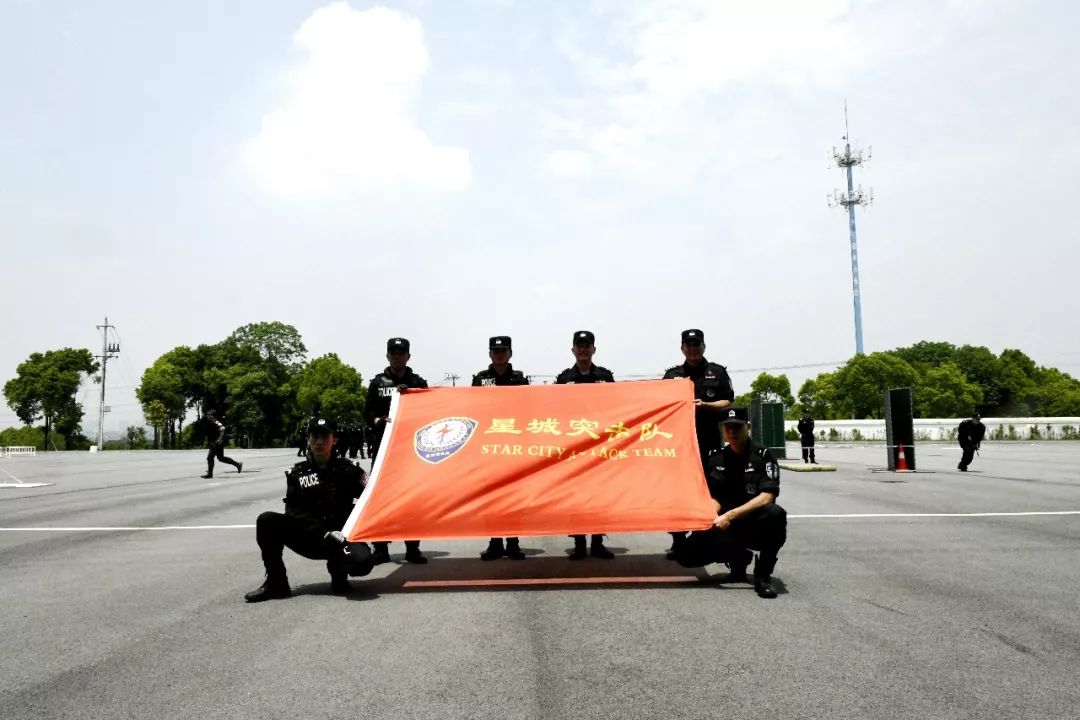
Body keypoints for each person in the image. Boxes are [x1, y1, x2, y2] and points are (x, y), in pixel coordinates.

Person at [245, 417, 372, 602]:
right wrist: (324, 533)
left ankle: (339, 575)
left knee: (363, 563)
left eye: (324, 436)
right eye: (314, 436)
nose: (319, 442)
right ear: (308, 440)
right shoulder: (297, 474)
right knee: (267, 520)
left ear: (334, 439)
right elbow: (294, 512)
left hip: (342, 538)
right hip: (312, 538)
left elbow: (371, 500)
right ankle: (277, 583)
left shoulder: (350, 471)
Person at [676, 407, 787, 599]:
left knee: (775, 513)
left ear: (748, 427)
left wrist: (729, 515)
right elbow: (714, 496)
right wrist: (710, 518)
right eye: (728, 427)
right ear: (722, 429)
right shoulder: (716, 456)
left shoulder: (763, 456)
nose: (732, 431)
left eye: (737, 427)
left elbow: (768, 496)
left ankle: (763, 576)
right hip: (726, 525)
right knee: (684, 554)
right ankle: (738, 557)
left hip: (753, 522)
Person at [662, 329, 734, 557]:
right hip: (680, 444)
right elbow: (660, 403)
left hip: (709, 441)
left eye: (697, 344)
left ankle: (703, 535)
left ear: (704, 346)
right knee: (678, 491)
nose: (693, 349)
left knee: (708, 489)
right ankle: (678, 539)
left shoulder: (717, 372)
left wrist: (705, 405)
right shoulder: (673, 375)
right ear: (682, 348)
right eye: (688, 345)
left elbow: (728, 401)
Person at [365, 337, 430, 565]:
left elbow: (428, 413)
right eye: (393, 352)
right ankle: (380, 548)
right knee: (380, 499)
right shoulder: (377, 383)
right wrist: (378, 421)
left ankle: (412, 548)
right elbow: (367, 414)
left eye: (401, 352)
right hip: (383, 449)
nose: (397, 356)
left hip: (410, 452)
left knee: (412, 500)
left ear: (408, 356)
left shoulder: (418, 383)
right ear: (387, 355)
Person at [555, 330, 616, 560]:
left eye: (587, 345)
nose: (583, 350)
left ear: (593, 349)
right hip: (574, 446)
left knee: (599, 494)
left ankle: (598, 541)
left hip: (599, 445)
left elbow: (618, 406)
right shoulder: (563, 378)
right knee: (576, 495)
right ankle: (580, 542)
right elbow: (556, 410)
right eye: (579, 346)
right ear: (573, 350)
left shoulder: (605, 376)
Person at [473, 335, 529, 560]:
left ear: (510, 353)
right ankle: (495, 542)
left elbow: (530, 409)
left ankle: (513, 542)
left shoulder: (519, 380)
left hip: (514, 447)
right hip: (489, 447)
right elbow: (472, 408)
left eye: (503, 350)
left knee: (513, 497)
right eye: (495, 351)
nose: (499, 354)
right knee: (492, 497)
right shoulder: (481, 379)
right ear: (489, 354)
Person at [201, 409, 241, 479]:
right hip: (216, 442)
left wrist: (220, 438)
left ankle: (210, 474)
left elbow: (222, 428)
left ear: (212, 416)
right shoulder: (211, 422)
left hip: (216, 442)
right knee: (221, 458)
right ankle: (237, 464)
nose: (208, 416)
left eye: (209, 415)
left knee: (210, 458)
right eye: (207, 415)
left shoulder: (216, 422)